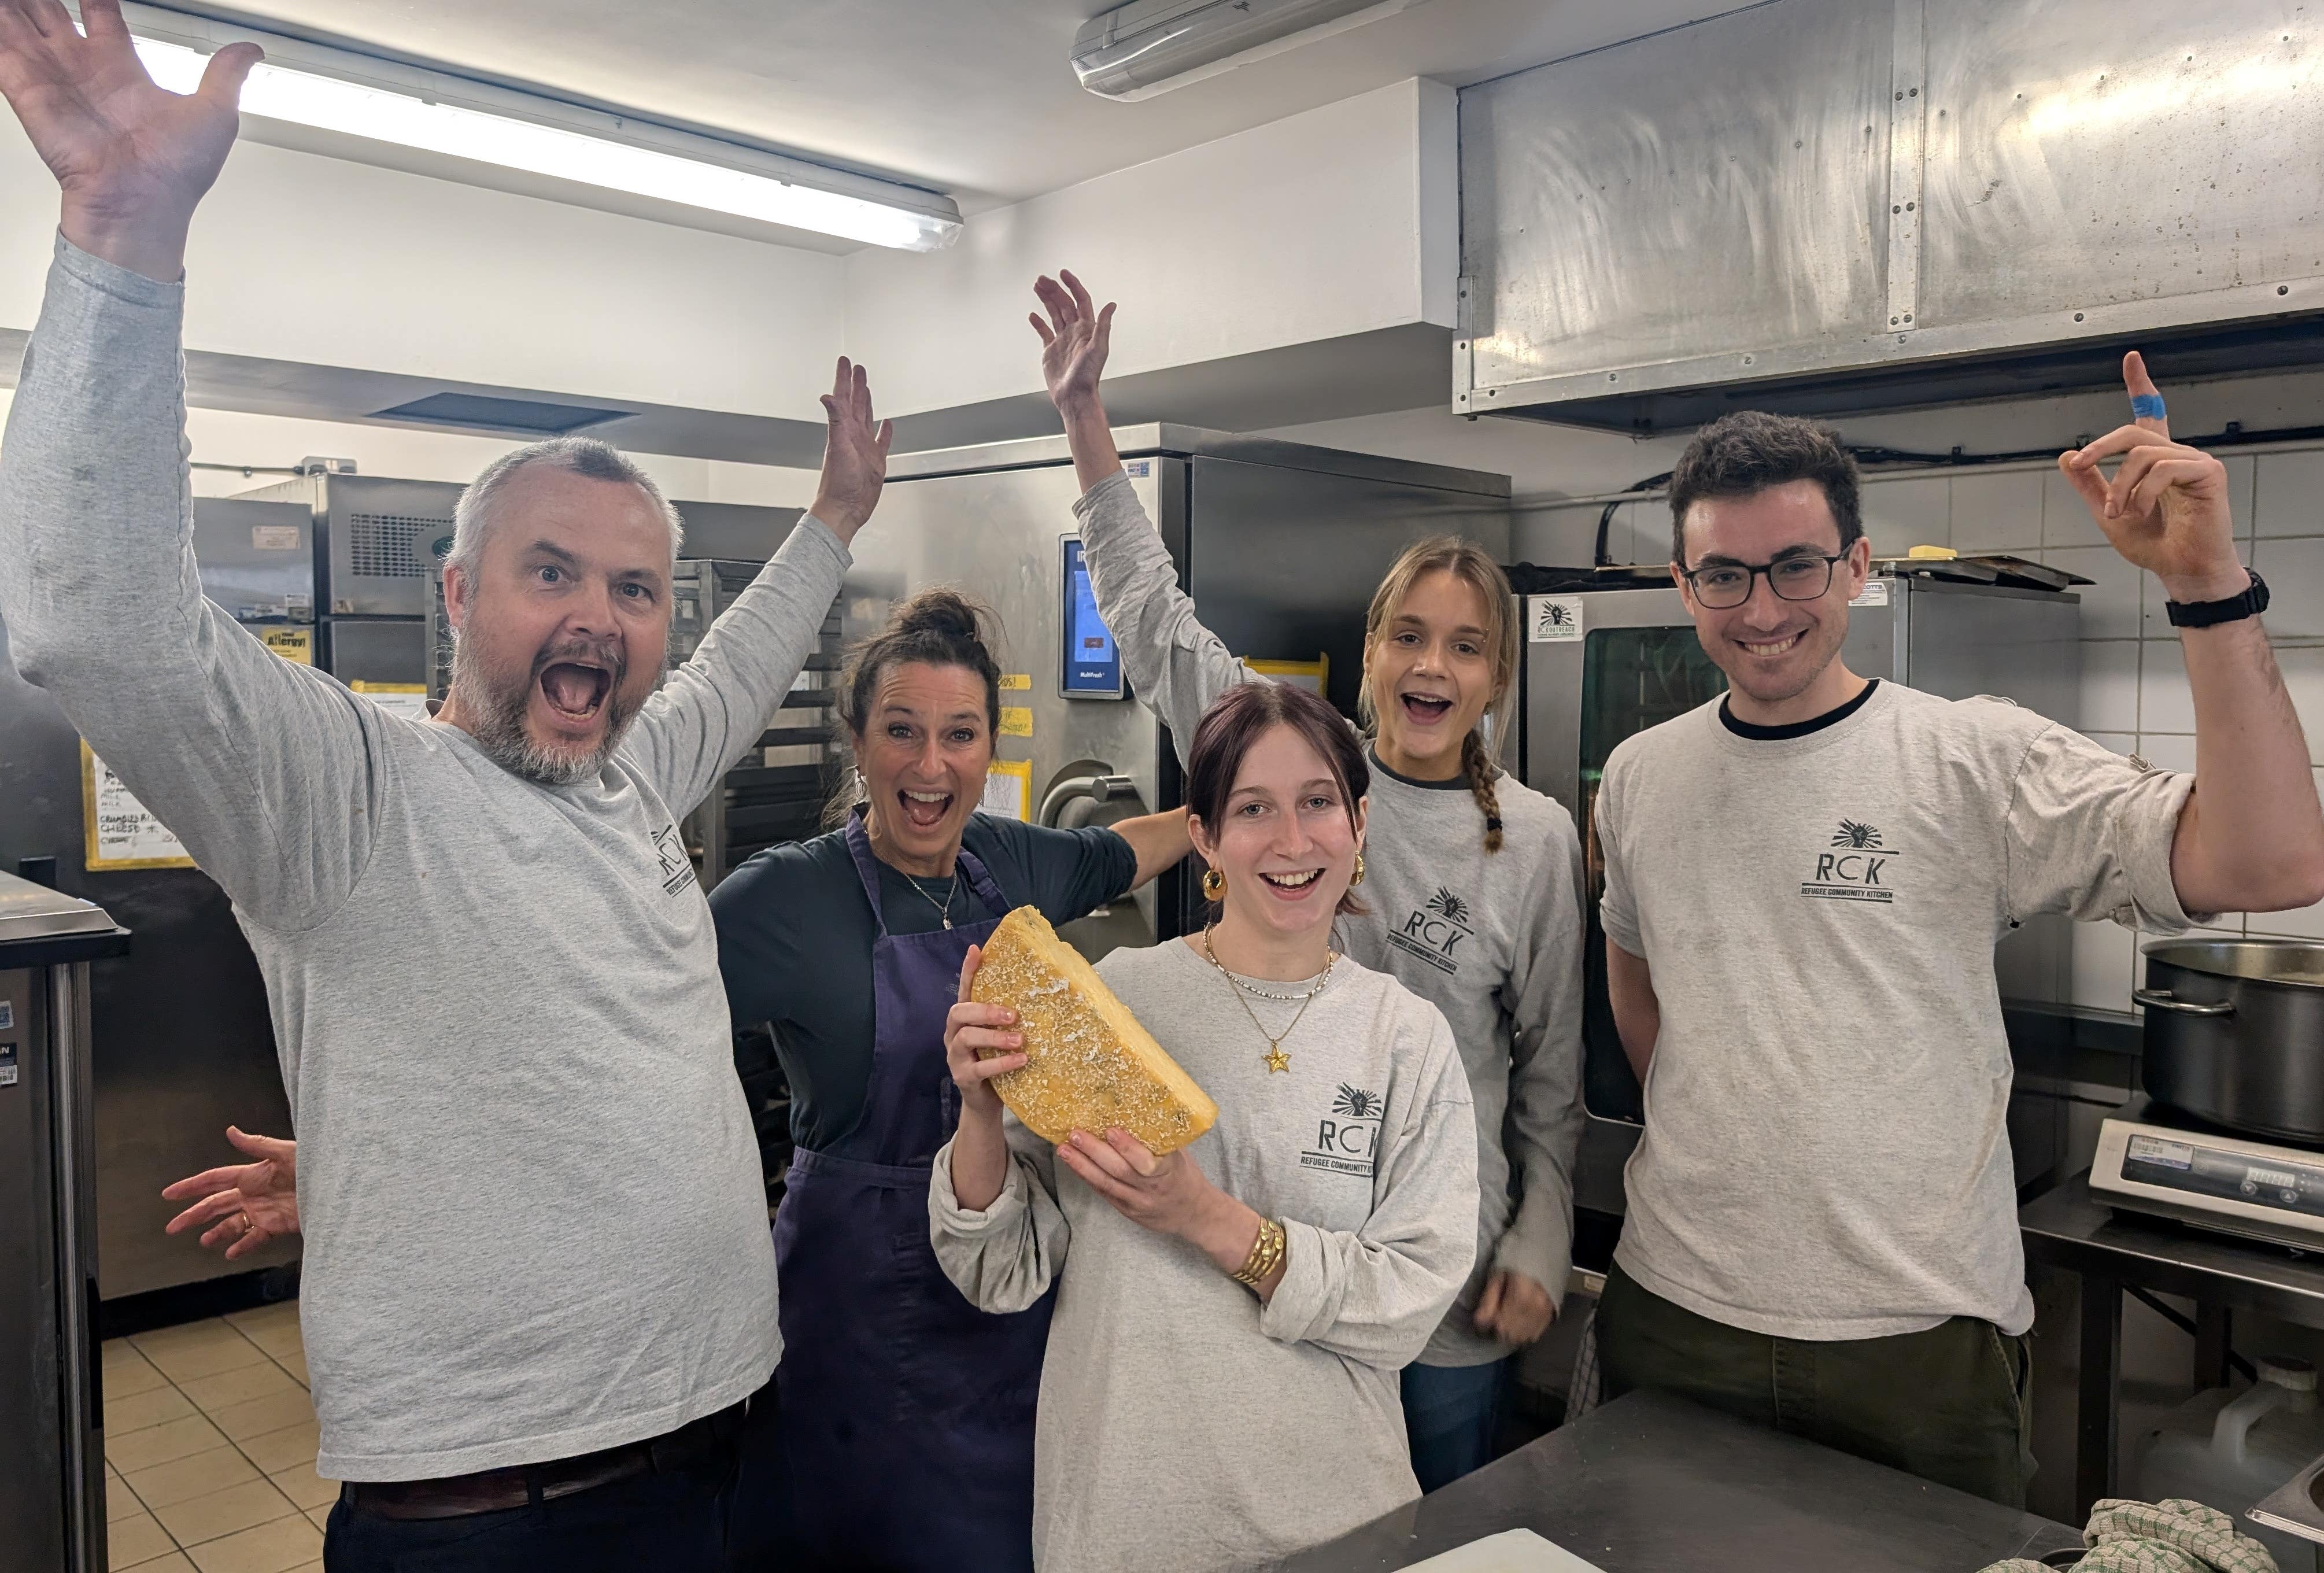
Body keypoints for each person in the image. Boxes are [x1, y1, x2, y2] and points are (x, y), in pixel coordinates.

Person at [0, 6, 893, 1565]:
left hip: (726, 1453)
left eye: (632, 590)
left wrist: (831, 520)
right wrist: (123, 241)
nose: (599, 619)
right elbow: (100, 622)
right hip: (505, 1519)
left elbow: (734, 674)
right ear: (460, 592)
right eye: (554, 573)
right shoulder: (351, 792)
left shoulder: (628, 780)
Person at [1590, 365, 2324, 1506]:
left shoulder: (1967, 757)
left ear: (1857, 567)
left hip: (1916, 1341)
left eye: (1797, 566)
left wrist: (2208, 585)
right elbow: (1639, 986)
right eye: (1724, 575)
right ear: (1684, 583)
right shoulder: (1640, 776)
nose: (1763, 607)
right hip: (1675, 1311)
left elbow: (2272, 861)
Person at [1026, 272, 1582, 1487]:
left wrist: (1539, 1239)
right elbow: (1152, 618)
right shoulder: (1295, 762)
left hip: (1430, 1291)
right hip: (1229, 1254)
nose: (1432, 663)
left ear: (1497, 681)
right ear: (1374, 651)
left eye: (1468, 645)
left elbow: (1550, 1072)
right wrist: (1085, 427)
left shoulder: (1532, 841)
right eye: (1408, 635)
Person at [933, 681, 1480, 1572]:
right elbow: (997, 1269)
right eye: (1253, 809)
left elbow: (1407, 1306)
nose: (1294, 842)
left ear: (1361, 821)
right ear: (1205, 839)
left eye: (1318, 804)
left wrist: (1204, 1217)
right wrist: (983, 1106)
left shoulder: (1405, 1038)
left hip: (1336, 1524)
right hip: (1126, 1520)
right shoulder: (1113, 999)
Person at [709, 589, 1192, 1572]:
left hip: (1003, 1299)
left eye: (960, 736)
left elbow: (1118, 855)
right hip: (847, 1317)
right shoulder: (783, 898)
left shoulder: (1006, 863)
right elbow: (634, 1014)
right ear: (857, 742)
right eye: (902, 732)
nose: (931, 767)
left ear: (987, 747)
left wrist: (1243, 816)